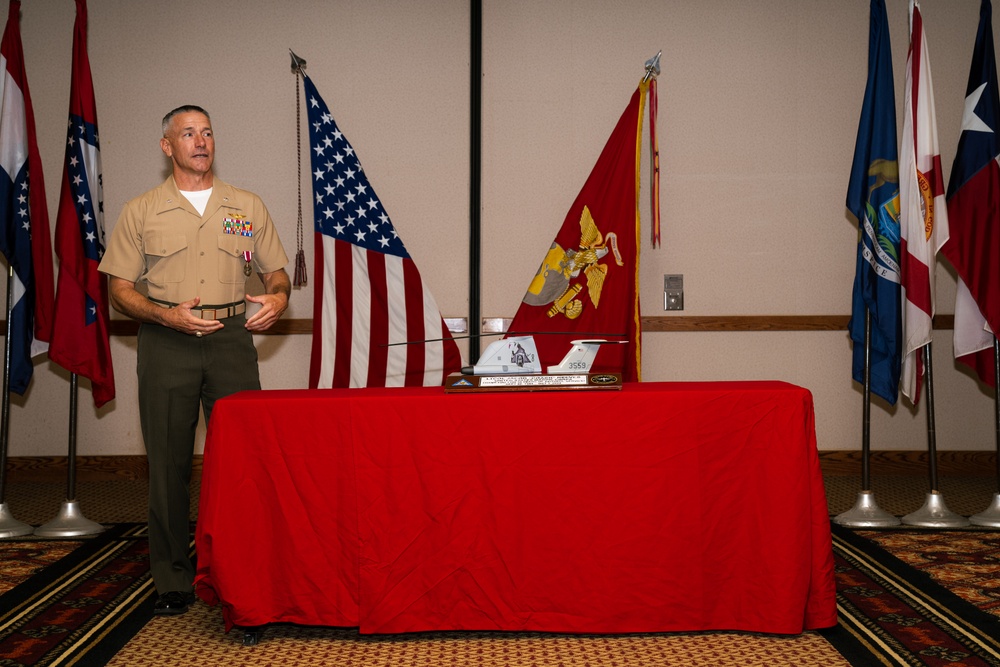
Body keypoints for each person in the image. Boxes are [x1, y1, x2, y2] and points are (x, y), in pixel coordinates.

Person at [98, 105, 290, 615]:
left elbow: (277, 274)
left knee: (241, 464)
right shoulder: (141, 211)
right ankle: (172, 579)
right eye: (188, 134)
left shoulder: (245, 205)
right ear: (167, 147)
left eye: (206, 132)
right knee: (168, 465)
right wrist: (165, 315)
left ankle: (240, 575)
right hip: (167, 339)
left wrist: (278, 298)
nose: (200, 141)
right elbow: (118, 288)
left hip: (231, 338)